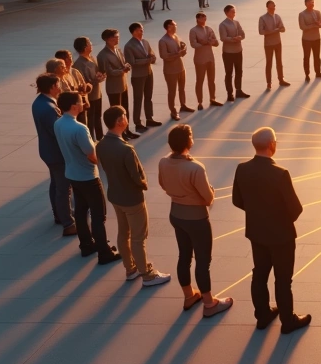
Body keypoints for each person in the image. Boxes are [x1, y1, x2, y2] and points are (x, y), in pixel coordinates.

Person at [232, 127, 312, 334]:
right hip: (281, 236)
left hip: (256, 232)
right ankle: (288, 321)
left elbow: (237, 200)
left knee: (259, 274)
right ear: (272, 145)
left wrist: (257, 214)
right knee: (283, 279)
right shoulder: (280, 173)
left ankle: (262, 315)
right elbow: (296, 208)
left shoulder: (242, 168)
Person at [159, 124, 231, 317]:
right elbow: (208, 198)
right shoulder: (195, 167)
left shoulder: (163, 162)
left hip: (176, 213)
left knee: (184, 255)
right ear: (188, 142)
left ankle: (189, 295)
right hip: (197, 218)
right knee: (202, 261)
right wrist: (211, 192)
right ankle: (209, 303)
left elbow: (163, 185)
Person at [97, 106, 171, 287]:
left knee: (123, 233)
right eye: (124, 116)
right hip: (132, 198)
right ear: (119, 122)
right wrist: (143, 185)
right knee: (139, 237)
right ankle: (147, 274)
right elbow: (137, 176)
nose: (126, 117)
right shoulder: (126, 149)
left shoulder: (101, 145)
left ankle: (130, 268)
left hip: (115, 194)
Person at [53, 91, 119, 263]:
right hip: (88, 176)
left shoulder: (59, 123)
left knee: (81, 212)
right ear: (74, 106)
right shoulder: (79, 128)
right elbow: (91, 153)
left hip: (72, 174)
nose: (83, 103)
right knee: (98, 215)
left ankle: (86, 245)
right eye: (81, 101)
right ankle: (104, 251)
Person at [32, 74, 75, 237]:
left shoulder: (39, 102)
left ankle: (58, 214)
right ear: (51, 87)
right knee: (64, 188)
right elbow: (58, 132)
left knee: (56, 184)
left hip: (47, 151)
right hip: (57, 153)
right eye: (58, 85)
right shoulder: (49, 108)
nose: (60, 87)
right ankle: (68, 222)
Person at [97, 28, 139, 140]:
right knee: (117, 112)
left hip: (123, 83)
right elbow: (108, 71)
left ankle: (127, 130)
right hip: (114, 86)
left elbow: (123, 63)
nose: (118, 39)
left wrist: (126, 66)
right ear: (109, 39)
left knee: (125, 108)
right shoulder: (103, 55)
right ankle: (119, 133)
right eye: (116, 37)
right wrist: (122, 70)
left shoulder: (118, 50)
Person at [123, 23, 161, 133]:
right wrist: (147, 60)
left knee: (148, 96)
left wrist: (152, 58)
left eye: (142, 29)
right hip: (138, 75)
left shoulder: (145, 42)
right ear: (134, 32)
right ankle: (137, 123)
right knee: (138, 99)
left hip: (149, 72)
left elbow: (151, 54)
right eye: (139, 30)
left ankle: (149, 118)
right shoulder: (129, 46)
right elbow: (131, 62)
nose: (142, 32)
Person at [157, 20, 194, 120]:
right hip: (170, 70)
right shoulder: (163, 41)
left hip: (180, 67)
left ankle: (183, 105)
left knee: (182, 88)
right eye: (174, 25)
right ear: (169, 27)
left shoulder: (176, 37)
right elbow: (164, 56)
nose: (176, 27)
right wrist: (178, 54)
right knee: (172, 91)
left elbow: (179, 49)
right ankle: (173, 111)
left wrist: (183, 49)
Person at [72, 37, 106, 140]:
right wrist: (96, 80)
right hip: (89, 97)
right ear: (85, 47)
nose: (91, 45)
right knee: (90, 120)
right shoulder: (78, 64)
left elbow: (97, 73)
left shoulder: (92, 58)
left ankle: (100, 138)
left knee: (98, 117)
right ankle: (91, 140)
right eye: (89, 43)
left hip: (97, 93)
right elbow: (83, 84)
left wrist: (100, 76)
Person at [189, 13, 222, 109]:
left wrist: (212, 42)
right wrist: (204, 43)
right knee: (200, 80)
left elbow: (216, 43)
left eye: (205, 17)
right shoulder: (193, 31)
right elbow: (193, 44)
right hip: (200, 59)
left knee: (211, 80)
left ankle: (212, 98)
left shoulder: (209, 29)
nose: (204, 19)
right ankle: (200, 102)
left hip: (210, 58)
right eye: (202, 17)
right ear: (198, 19)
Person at [218, 5, 250, 101]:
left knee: (239, 71)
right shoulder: (223, 25)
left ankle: (238, 90)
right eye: (232, 11)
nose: (234, 13)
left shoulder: (236, 22)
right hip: (228, 52)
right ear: (227, 13)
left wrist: (240, 37)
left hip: (238, 50)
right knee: (229, 73)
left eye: (234, 11)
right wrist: (233, 39)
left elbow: (242, 33)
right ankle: (229, 93)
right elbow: (223, 38)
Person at [258, 1, 290, 90]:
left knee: (279, 61)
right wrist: (274, 31)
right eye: (271, 7)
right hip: (268, 44)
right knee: (269, 63)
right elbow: (261, 31)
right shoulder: (262, 18)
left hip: (278, 42)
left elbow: (283, 29)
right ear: (267, 8)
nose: (273, 9)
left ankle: (281, 79)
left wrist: (279, 29)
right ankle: (268, 82)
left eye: (274, 7)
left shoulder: (277, 17)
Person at [299, 0, 321, 81]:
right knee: (306, 57)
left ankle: (318, 72)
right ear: (306, 4)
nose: (312, 4)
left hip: (316, 38)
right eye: (310, 3)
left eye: (313, 2)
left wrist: (316, 24)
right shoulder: (302, 14)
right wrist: (313, 25)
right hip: (306, 39)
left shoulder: (317, 13)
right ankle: (307, 74)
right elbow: (302, 27)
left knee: (317, 56)